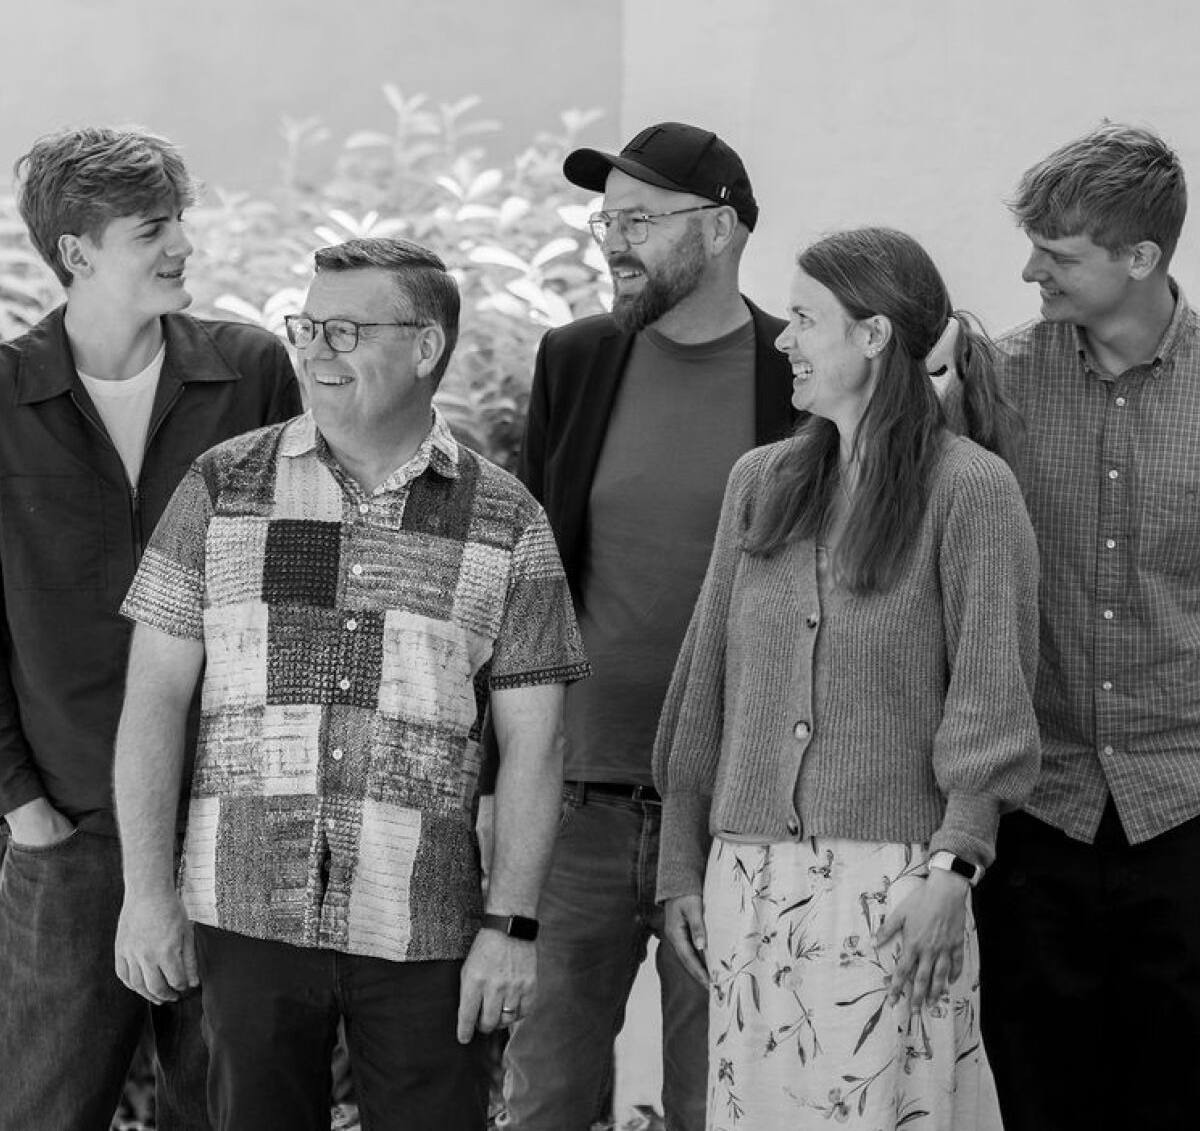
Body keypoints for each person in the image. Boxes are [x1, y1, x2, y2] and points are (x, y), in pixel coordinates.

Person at [111, 237, 589, 1131]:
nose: (316, 352)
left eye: (346, 330)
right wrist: (147, 893)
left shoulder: (506, 521)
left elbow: (537, 743)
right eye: (307, 327)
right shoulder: (222, 488)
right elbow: (153, 702)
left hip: (423, 923)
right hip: (245, 908)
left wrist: (512, 928)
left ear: (426, 347)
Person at [653, 227, 1041, 1131]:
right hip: (748, 877)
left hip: (898, 888)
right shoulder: (761, 481)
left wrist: (954, 870)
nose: (783, 340)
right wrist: (680, 862)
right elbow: (705, 681)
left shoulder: (970, 489)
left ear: (873, 336)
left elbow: (991, 695)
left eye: (804, 320)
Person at [483, 121, 794, 1131]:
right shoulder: (575, 358)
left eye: (641, 221)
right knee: (545, 1099)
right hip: (576, 801)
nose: (614, 243)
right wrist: (493, 778)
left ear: (721, 228)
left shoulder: (795, 371)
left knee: (722, 1101)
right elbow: (528, 576)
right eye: (606, 222)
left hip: (733, 810)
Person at [0, 126, 301, 1131]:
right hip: (71, 827)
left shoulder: (252, 372)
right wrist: (20, 803)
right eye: (151, 229)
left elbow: (298, 581)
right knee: (42, 1110)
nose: (183, 245)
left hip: (231, 819)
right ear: (76, 251)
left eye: (179, 220)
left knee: (228, 1110)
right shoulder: (3, 397)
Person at [975, 123, 1200, 1131]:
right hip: (1038, 815)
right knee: (1040, 1104)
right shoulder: (993, 385)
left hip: (1187, 813)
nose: (1032, 272)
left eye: (1058, 255)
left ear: (1140, 257)